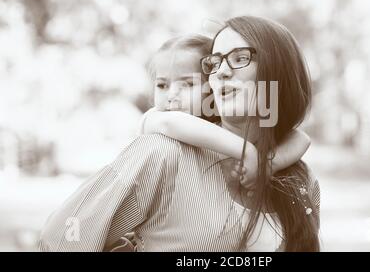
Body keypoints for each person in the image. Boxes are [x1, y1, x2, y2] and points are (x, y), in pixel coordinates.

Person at [39, 16, 320, 252]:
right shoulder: (162, 153)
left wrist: (266, 162)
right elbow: (60, 240)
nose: (221, 71)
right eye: (215, 62)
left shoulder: (299, 178)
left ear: (279, 71)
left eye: (239, 58)